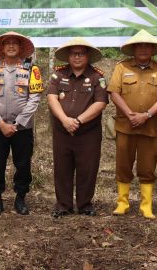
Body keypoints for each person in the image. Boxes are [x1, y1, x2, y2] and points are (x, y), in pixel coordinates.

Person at [107, 29, 157, 219]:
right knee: (123, 165)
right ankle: (122, 203)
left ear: (152, 49)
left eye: (147, 46)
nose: (143, 49)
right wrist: (130, 114)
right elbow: (114, 92)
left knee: (147, 167)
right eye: (139, 46)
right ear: (134, 49)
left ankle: (146, 206)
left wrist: (146, 115)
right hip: (125, 127)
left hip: (149, 128)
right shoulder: (122, 68)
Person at [0, 31, 43, 216]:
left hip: (22, 129)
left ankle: (21, 198)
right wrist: (0, 123)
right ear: (1, 47)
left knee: (23, 164)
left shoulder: (32, 69)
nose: (11, 46)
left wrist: (17, 124)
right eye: (7, 43)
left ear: (20, 47)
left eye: (15, 43)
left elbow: (35, 98)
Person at [46, 38, 108, 217]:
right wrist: (65, 120)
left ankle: (85, 204)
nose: (77, 57)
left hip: (88, 132)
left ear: (88, 56)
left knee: (87, 168)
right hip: (62, 131)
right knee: (62, 167)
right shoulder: (59, 75)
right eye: (74, 53)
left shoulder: (97, 77)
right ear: (68, 56)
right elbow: (51, 98)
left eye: (81, 53)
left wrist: (78, 121)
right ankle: (63, 204)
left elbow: (100, 103)